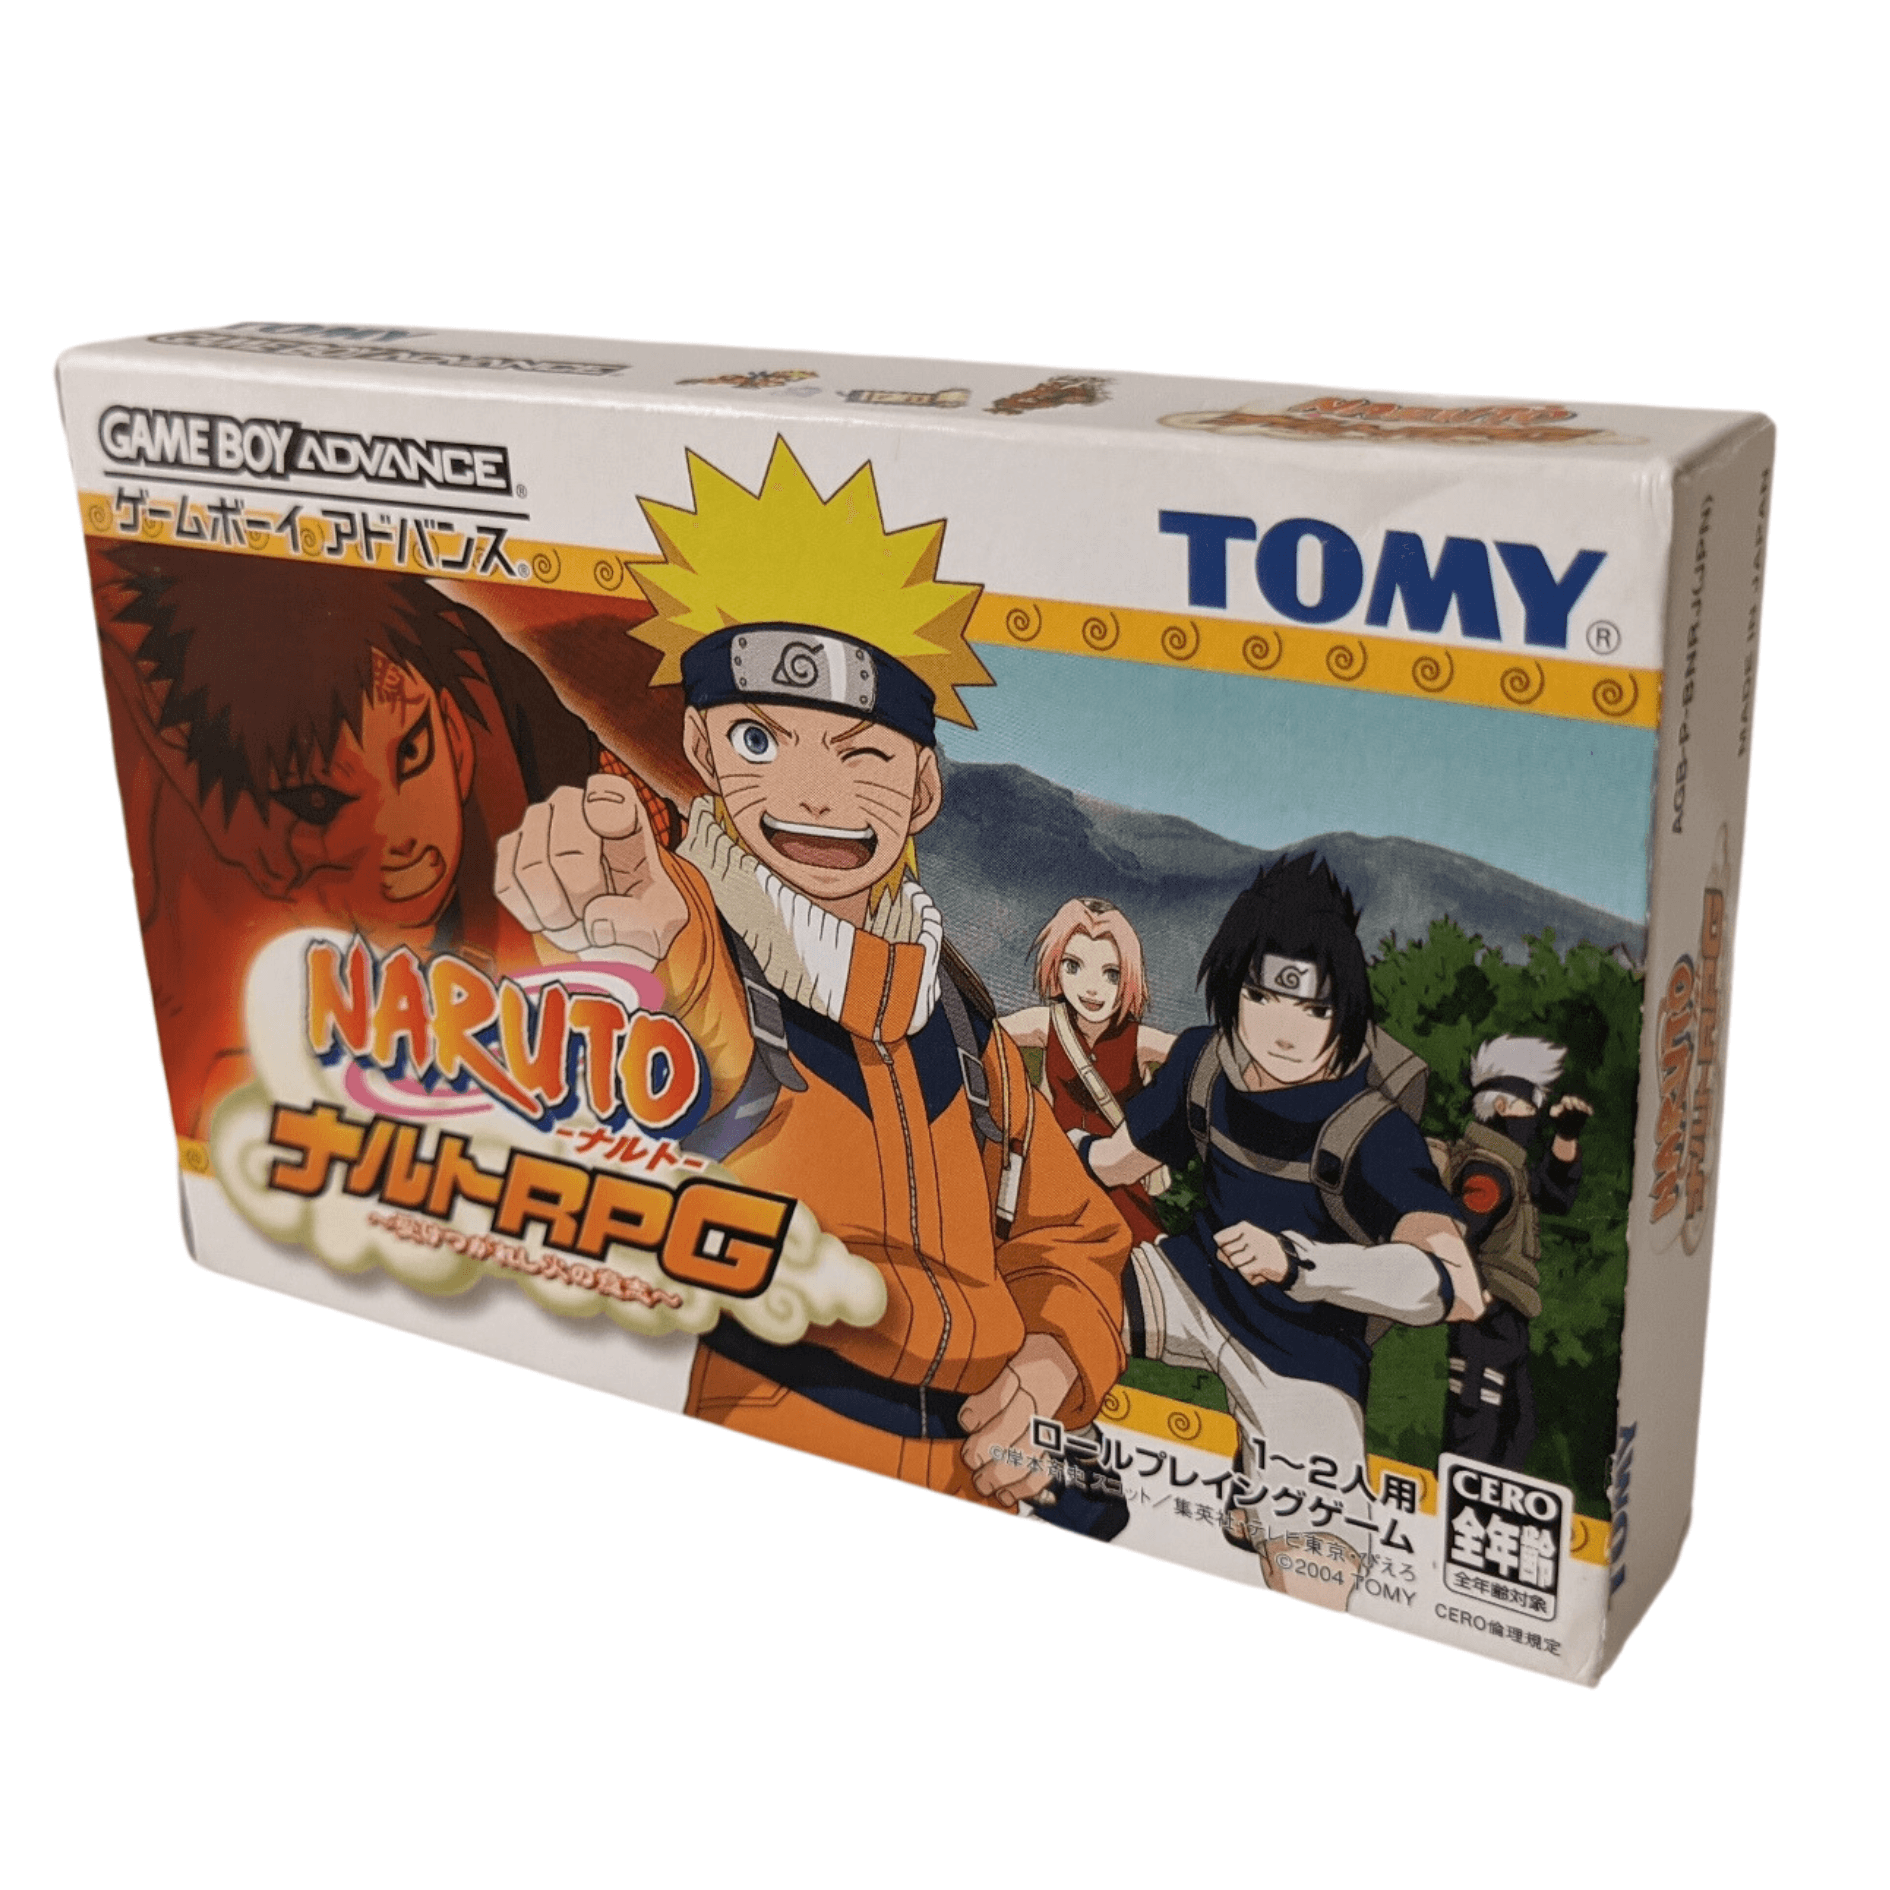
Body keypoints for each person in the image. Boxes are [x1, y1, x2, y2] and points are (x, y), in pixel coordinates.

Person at [493, 438, 1129, 1514]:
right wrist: (615, 910)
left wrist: (1049, 1365)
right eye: (759, 740)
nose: (813, 796)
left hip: (979, 1485)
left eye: (863, 754)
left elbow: (1075, 1237)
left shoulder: (958, 1018)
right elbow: (665, 979)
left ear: (923, 788)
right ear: (700, 749)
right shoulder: (706, 949)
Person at [94, 542, 675, 1136]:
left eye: (413, 752)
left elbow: (658, 841)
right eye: (322, 803)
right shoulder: (191, 860)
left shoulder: (481, 688)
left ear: (453, 735)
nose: (403, 839)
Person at [1077, 853, 1487, 1608]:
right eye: (1263, 997)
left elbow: (1446, 1284)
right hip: (1190, 1283)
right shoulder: (1205, 1062)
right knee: (1056, 1294)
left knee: (1314, 1575)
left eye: (1313, 1009)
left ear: (1345, 1011)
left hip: (1307, 1355)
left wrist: (1301, 1264)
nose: (1283, 1030)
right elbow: (1114, 1160)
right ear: (1235, 988)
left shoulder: (1372, 1129)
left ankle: (1261, 1500)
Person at [1439, 1035, 1592, 1471]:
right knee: (1477, 1433)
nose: (1536, 1116)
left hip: (1508, 1321)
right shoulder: (1490, 1171)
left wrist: (1566, 1138)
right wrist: (1473, 1293)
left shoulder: (1511, 1166)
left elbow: (1556, 1196)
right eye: (1531, 1106)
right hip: (1486, 1320)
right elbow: (1457, 1235)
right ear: (1503, 1107)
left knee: (1516, 1428)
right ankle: (1457, 1509)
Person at [999, 898, 1176, 1244]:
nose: (1092, 988)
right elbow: (981, 1034)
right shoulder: (1044, 1025)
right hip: (1052, 1175)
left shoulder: (1140, 1041)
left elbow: (1202, 1058)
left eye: (1112, 974)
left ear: (1130, 977)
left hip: (1118, 1188)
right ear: (1055, 967)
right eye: (1074, 966)